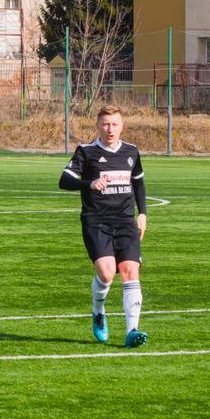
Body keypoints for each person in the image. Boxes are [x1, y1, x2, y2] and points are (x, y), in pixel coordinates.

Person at [58, 105, 149, 349]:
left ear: (122, 126)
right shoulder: (86, 151)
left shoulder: (131, 151)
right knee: (107, 273)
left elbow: (138, 183)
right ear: (98, 126)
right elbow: (64, 180)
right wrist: (89, 183)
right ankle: (98, 311)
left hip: (125, 220)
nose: (110, 129)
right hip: (96, 220)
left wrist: (142, 213)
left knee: (130, 269)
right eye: (106, 124)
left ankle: (132, 331)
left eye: (115, 124)